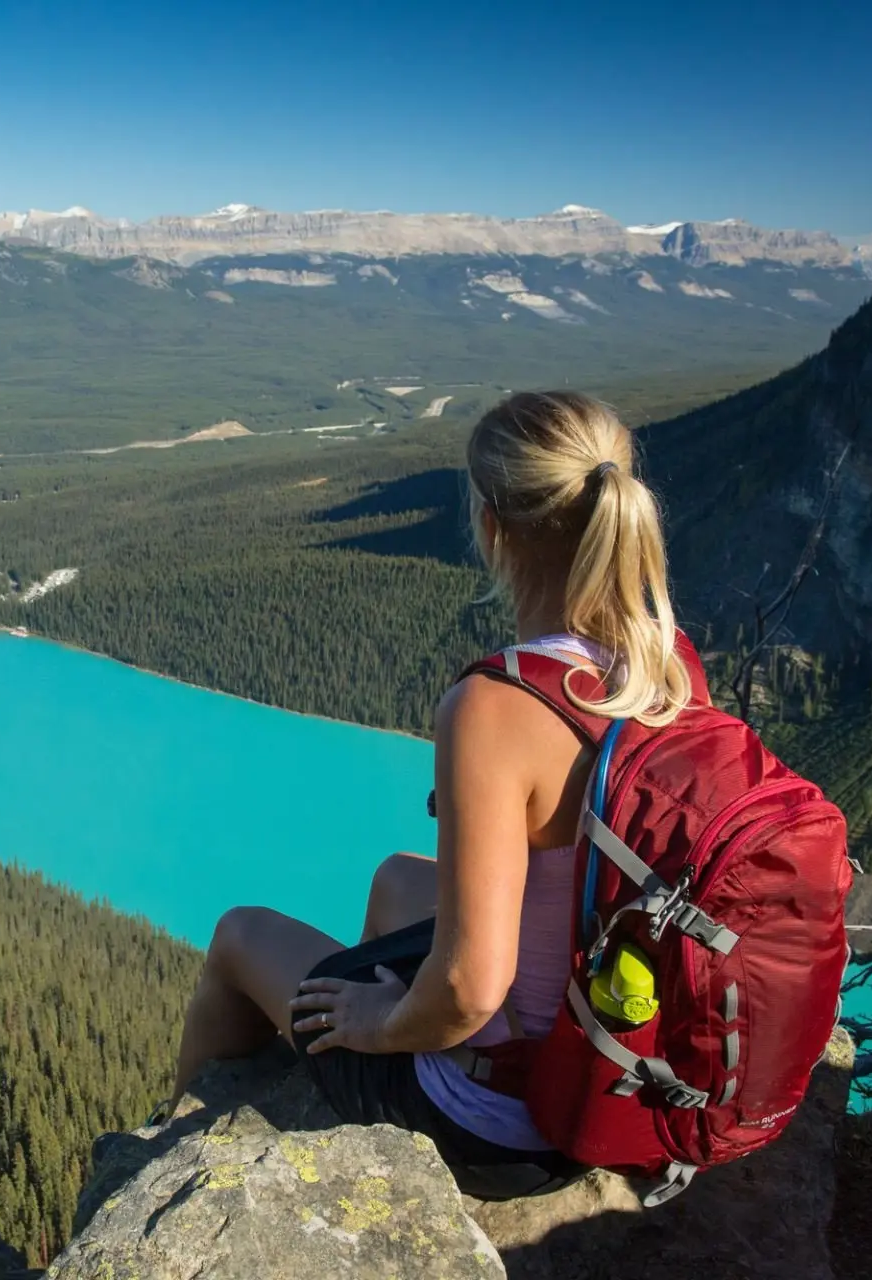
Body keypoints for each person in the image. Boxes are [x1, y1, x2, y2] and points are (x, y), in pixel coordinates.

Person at [166, 390, 695, 1201]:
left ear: (491, 525)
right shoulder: (666, 665)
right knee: (393, 878)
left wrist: (375, 1024)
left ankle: (174, 1152)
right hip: (613, 1059)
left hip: (503, 1120)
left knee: (240, 936)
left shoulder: (499, 707)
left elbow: (470, 988)